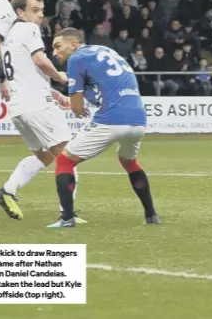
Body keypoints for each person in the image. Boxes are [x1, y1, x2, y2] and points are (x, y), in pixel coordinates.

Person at [49, 28, 160, 228]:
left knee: (64, 161)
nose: (55, 53)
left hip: (112, 118)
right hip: (138, 118)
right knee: (128, 161)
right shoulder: (106, 51)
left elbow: (77, 108)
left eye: (58, 46)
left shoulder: (76, 59)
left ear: (73, 44)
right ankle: (151, 215)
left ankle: (67, 218)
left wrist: (73, 103)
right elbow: (103, 88)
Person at [0, 0, 79, 221]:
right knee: (68, 155)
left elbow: (25, 74)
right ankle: (68, 213)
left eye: (41, 10)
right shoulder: (29, 30)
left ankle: (7, 190)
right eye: (34, 10)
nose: (40, 15)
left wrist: (55, 94)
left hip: (19, 107)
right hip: (37, 105)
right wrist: (60, 77)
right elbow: (40, 61)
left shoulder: (9, 36)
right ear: (20, 12)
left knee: (44, 156)